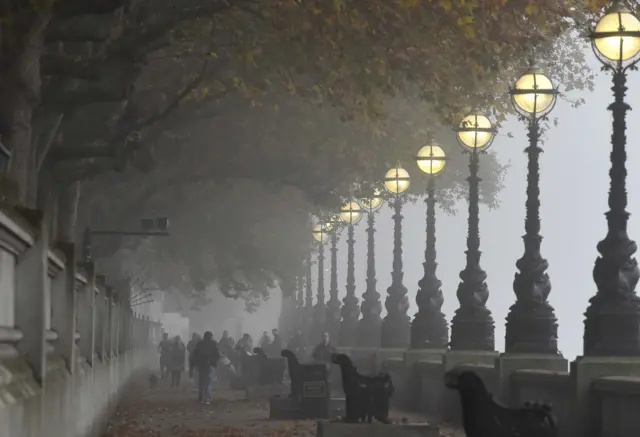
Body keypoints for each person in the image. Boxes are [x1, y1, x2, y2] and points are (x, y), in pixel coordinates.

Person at [192, 331, 220, 405]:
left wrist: (195, 364)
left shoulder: (200, 344)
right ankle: (208, 398)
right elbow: (217, 355)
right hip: (210, 365)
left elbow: (195, 355)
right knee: (208, 382)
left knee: (202, 382)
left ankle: (201, 397)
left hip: (202, 365)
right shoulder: (214, 344)